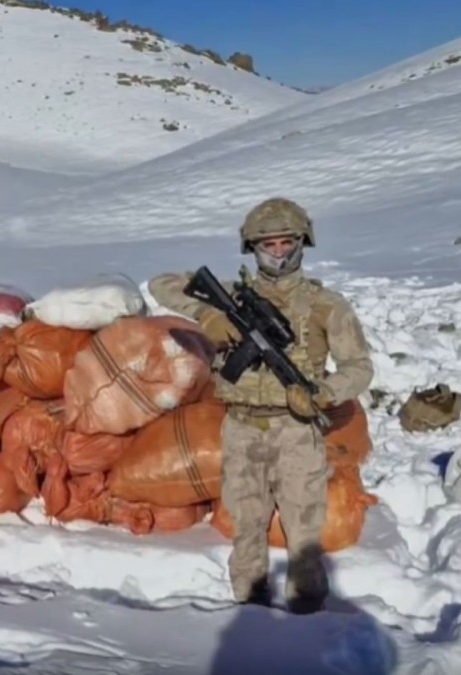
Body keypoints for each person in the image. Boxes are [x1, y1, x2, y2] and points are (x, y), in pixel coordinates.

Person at [148, 198, 374, 614]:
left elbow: (359, 368)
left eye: (286, 242)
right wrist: (210, 316)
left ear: (303, 243)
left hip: (296, 429)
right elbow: (161, 284)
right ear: (252, 248)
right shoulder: (234, 296)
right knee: (246, 523)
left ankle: (307, 613)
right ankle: (248, 609)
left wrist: (321, 393)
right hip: (242, 427)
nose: (278, 252)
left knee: (304, 529)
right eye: (268, 245)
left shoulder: (327, 305)